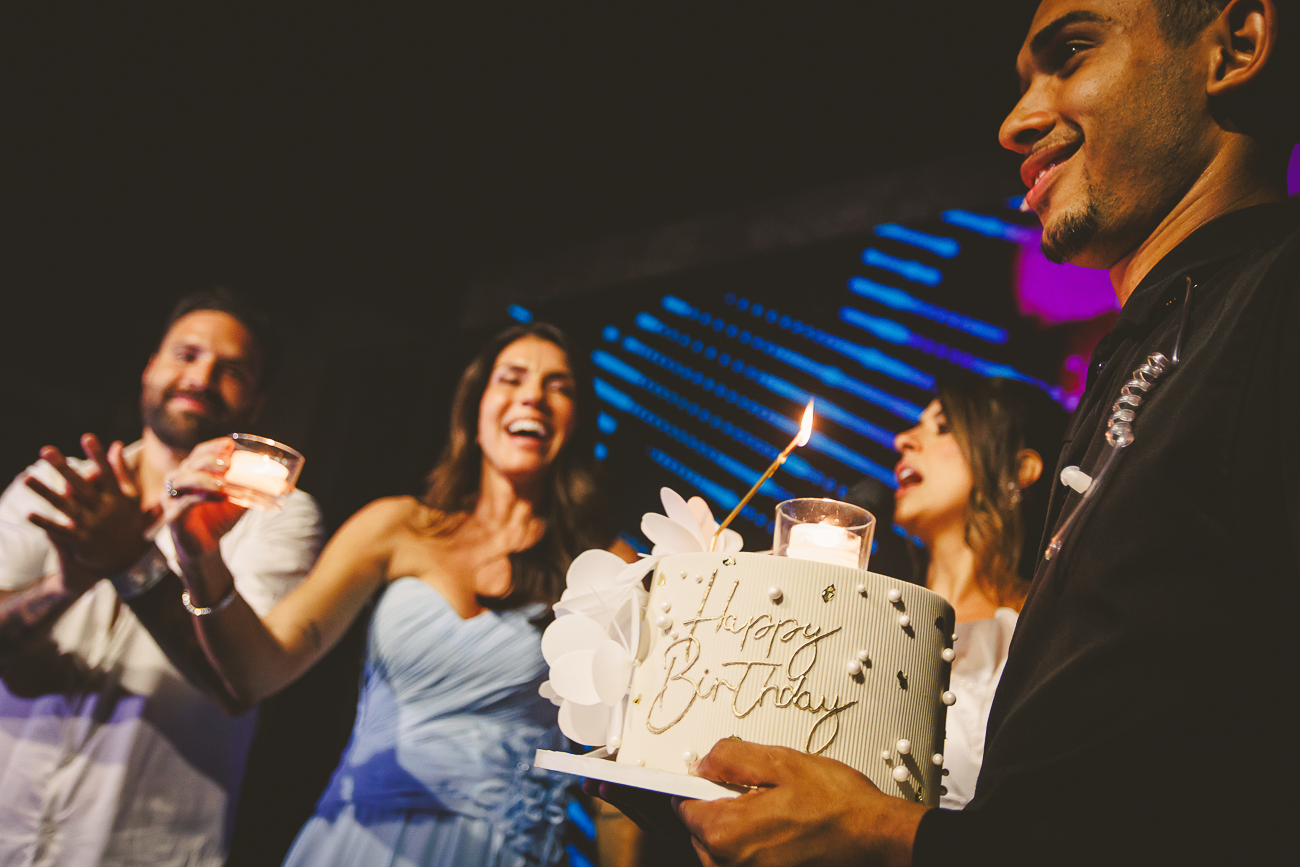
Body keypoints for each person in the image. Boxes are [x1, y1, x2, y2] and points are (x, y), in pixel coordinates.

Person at [597, 1, 1299, 864]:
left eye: (1072, 52)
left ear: (1236, 44)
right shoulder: (1147, 351)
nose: (1015, 122)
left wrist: (889, 836)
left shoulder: (1275, 306)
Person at [165, 321, 633, 866]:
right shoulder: (395, 526)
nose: (533, 395)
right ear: (474, 411)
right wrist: (201, 562)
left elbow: (621, 773)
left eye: (559, 386)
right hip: (353, 841)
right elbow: (257, 671)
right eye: (512, 378)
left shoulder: (608, 567)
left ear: (576, 422)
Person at [0, 288, 324, 866]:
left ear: (256, 401)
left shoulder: (277, 510)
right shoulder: (53, 484)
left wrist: (134, 565)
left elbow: (239, 682)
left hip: (148, 845)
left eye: (232, 370)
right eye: (187, 354)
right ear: (151, 367)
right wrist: (68, 582)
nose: (201, 376)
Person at [891, 376, 1065, 808]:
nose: (902, 440)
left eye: (943, 426)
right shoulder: (873, 611)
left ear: (1019, 468)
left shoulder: (1047, 631)